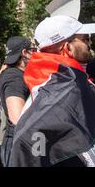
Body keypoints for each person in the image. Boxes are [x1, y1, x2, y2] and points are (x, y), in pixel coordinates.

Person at [10, 15, 95, 167]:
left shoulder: (55, 81)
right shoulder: (65, 86)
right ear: (67, 48)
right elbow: (28, 139)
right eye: (85, 39)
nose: (90, 43)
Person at [0, 36, 35, 167]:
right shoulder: (14, 77)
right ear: (24, 53)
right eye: (33, 50)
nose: (35, 53)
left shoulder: (15, 74)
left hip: (21, 143)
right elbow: (17, 117)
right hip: (19, 146)